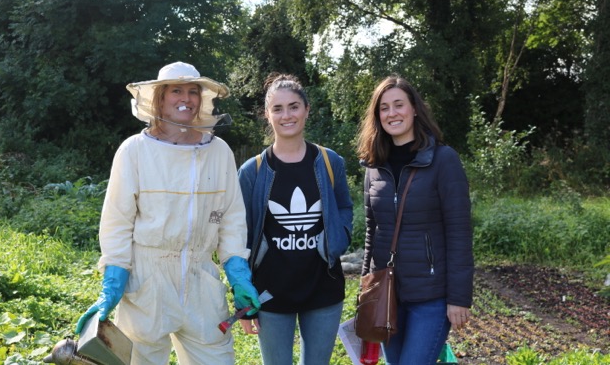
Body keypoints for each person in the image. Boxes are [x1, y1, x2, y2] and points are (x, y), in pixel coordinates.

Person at [74, 61, 260, 365]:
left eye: (192, 91)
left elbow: (231, 219)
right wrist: (114, 282)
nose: (185, 98)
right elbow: (118, 223)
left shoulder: (219, 152)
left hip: (202, 279)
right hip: (148, 283)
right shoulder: (134, 150)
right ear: (160, 98)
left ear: (202, 99)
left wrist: (238, 273)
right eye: (176, 91)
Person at [237, 73, 354, 365]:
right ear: (267, 115)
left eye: (293, 106)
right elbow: (239, 237)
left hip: (324, 291)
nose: (286, 115)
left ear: (306, 110)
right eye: (277, 109)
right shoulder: (252, 172)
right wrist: (241, 298)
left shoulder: (330, 162)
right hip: (270, 295)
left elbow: (344, 208)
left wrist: (338, 240)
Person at [356, 75, 474, 365]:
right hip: (387, 297)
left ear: (415, 110)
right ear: (377, 115)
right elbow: (372, 232)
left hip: (430, 298)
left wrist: (459, 297)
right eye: (384, 107)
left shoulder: (443, 160)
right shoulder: (374, 165)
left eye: (399, 105)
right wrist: (365, 290)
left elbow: (459, 232)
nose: (392, 113)